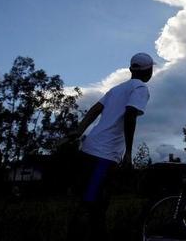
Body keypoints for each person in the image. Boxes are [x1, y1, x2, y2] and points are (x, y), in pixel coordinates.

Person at [65, 52, 153, 241]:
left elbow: (95, 109)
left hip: (89, 148)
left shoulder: (116, 89)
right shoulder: (140, 88)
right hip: (103, 155)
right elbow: (130, 114)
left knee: (89, 201)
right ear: (149, 71)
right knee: (94, 205)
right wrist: (129, 152)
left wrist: (79, 131)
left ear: (131, 69)